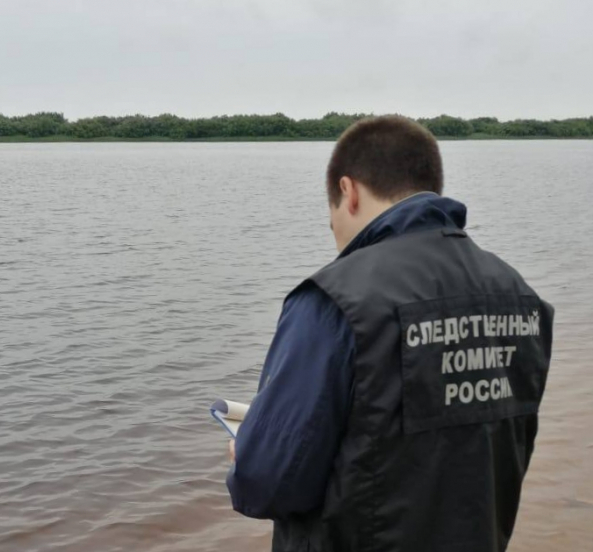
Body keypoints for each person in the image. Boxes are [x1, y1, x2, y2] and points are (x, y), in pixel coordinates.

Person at [225, 115, 553, 552]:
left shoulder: (333, 300)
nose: (335, 236)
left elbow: (265, 484)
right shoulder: (520, 295)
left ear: (349, 191)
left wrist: (248, 454)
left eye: (331, 219)